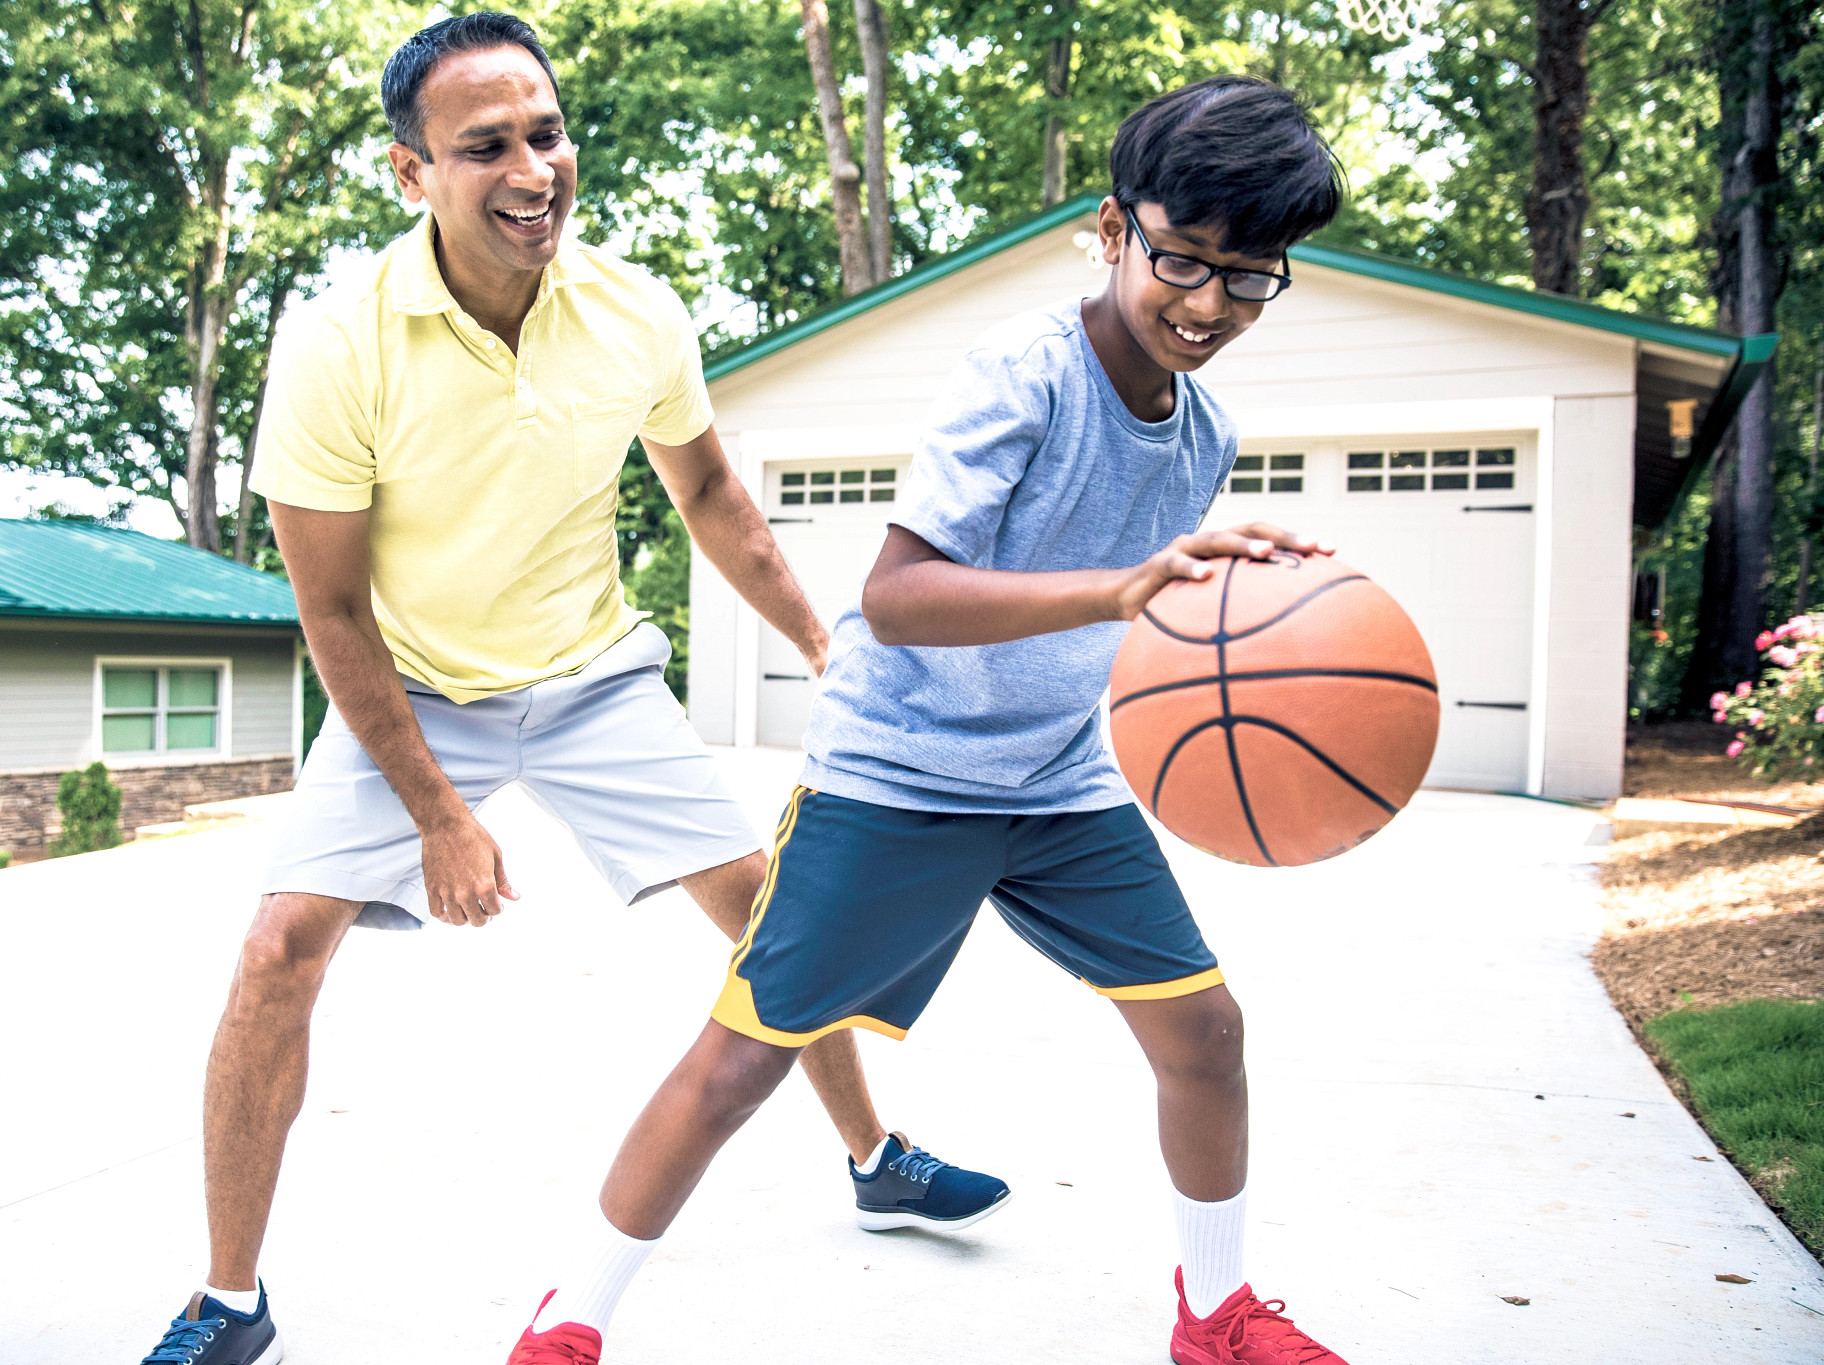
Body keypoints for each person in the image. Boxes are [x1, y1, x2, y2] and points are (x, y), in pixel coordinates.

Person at [134, 15, 1007, 1365]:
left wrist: (829, 646)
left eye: (544, 131)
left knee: (778, 922)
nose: (531, 166)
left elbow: (711, 492)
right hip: (415, 686)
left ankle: (876, 1157)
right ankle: (229, 1299)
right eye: (485, 144)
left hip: (595, 677)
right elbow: (332, 607)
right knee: (273, 953)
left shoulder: (633, 311)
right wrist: (436, 809)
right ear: (409, 173)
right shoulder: (336, 343)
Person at [506, 74, 1357, 1365]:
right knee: (743, 1058)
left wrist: (1243, 615)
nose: (1208, 304)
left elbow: (1140, 607)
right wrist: (1120, 586)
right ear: (1116, 228)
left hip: (1060, 779)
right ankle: (568, 1320)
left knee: (1207, 1031)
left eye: (1251, 278)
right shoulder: (1023, 374)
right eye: (1183, 258)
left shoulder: (1205, 432)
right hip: (896, 773)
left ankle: (1217, 1310)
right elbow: (897, 598)